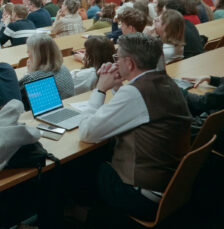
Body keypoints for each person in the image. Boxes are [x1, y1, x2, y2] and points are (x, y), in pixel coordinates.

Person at [78, 33, 191, 221]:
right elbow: (137, 110)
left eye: (118, 58)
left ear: (130, 63)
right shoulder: (164, 81)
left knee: (81, 163)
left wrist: (100, 89)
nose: (116, 62)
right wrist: (117, 86)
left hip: (142, 196)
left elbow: (87, 132)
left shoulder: (135, 93)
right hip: (171, 186)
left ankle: (82, 215)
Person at [18, 34, 75, 102]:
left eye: (29, 49)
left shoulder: (32, 78)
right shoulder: (63, 68)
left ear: (37, 55)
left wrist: (29, 72)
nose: (27, 52)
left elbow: (18, 97)